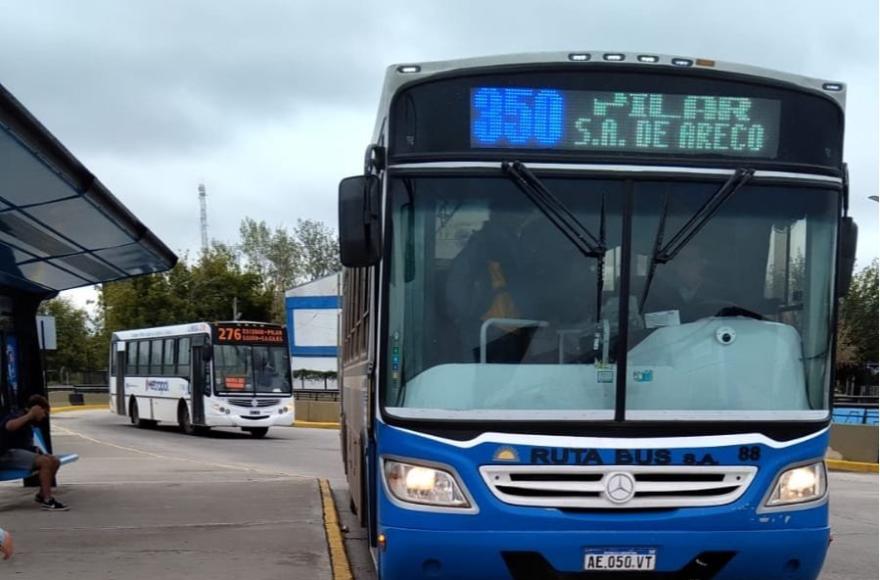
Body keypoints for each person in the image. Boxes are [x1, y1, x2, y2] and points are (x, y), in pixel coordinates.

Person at [0, 395, 69, 511]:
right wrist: (29, 415)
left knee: (54, 461)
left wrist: (37, 451)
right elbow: (9, 426)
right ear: (37, 409)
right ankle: (48, 501)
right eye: (44, 412)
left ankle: (42, 495)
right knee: (45, 462)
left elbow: (23, 445)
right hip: (5, 455)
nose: (44, 416)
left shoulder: (29, 423)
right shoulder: (19, 415)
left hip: (16, 454)